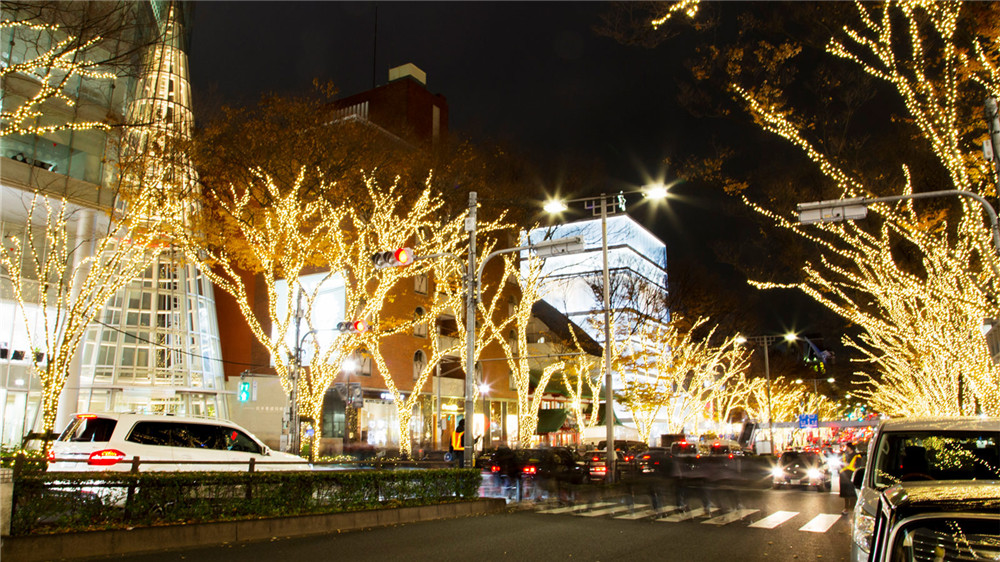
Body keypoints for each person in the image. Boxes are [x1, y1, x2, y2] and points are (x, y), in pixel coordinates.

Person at [839, 442, 862, 514]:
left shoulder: (857, 455)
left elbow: (859, 465)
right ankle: (846, 507)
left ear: (850, 447)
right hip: (844, 474)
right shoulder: (844, 455)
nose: (845, 448)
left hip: (852, 474)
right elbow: (839, 464)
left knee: (852, 491)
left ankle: (852, 507)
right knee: (845, 492)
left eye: (846, 447)